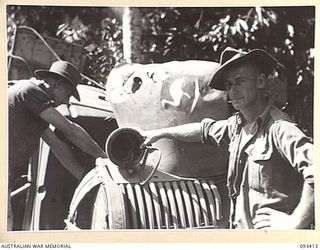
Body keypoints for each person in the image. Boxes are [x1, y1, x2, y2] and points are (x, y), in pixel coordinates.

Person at [140, 47, 314, 229]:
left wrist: (295, 223)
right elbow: (203, 130)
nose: (233, 91)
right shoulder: (238, 126)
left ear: (260, 81)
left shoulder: (279, 129)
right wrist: (160, 133)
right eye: (229, 85)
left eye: (240, 82)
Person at [8, 60, 107, 230]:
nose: (65, 102)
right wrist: (105, 158)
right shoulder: (30, 91)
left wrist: (86, 178)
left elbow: (56, 145)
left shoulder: (33, 107)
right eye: (67, 95)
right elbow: (70, 130)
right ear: (58, 84)